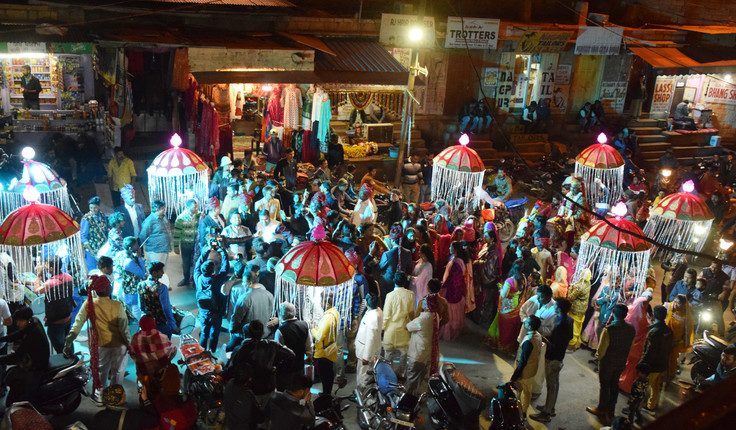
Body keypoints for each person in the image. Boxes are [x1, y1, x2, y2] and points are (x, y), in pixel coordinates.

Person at [64, 274, 130, 399]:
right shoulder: (117, 305)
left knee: (101, 371)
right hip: (119, 345)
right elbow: (124, 329)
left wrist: (68, 343)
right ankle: (115, 398)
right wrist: (129, 344)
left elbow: (76, 327)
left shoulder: (88, 304)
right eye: (109, 285)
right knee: (118, 371)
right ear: (106, 289)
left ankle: (99, 397)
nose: (111, 286)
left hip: (101, 344)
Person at [587, 304, 636, 426]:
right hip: (620, 362)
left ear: (614, 313)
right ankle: (611, 409)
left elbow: (602, 349)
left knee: (605, 386)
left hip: (607, 362)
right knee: (614, 385)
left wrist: (598, 359)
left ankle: (601, 408)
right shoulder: (631, 328)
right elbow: (631, 345)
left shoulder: (609, 329)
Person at [226, 320, 295, 407]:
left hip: (250, 390)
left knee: (250, 415)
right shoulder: (272, 345)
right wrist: (277, 368)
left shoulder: (240, 349)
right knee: (267, 414)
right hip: (268, 387)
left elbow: (231, 369)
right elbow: (291, 355)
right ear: (262, 332)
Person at [530, 298, 573, 423]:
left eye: (556, 306)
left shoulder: (561, 323)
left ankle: (546, 413)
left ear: (559, 308)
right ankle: (550, 407)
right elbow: (568, 337)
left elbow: (556, 343)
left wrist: (543, 339)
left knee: (551, 385)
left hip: (554, 357)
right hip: (559, 356)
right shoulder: (569, 320)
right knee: (554, 384)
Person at [0, 306, 49, 406]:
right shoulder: (33, 322)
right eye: (17, 320)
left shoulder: (33, 334)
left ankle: (32, 409)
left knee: (29, 392)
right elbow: (17, 334)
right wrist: (2, 339)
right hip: (33, 357)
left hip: (38, 364)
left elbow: (16, 357)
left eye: (20, 321)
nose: (17, 323)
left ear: (28, 320)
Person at [34, 255, 74, 353]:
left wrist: (39, 275)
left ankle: (66, 363)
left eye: (46, 265)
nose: (45, 267)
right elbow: (69, 293)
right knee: (68, 340)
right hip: (68, 315)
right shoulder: (68, 277)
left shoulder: (49, 284)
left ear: (51, 268)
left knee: (59, 345)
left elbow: (37, 291)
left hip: (56, 321)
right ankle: (74, 361)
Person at [194, 242, 229, 352]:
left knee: (204, 332)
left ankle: (202, 351)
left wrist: (206, 250)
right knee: (214, 332)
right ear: (213, 270)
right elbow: (225, 267)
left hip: (203, 312)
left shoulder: (198, 278)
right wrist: (222, 251)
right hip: (216, 312)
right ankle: (212, 351)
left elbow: (197, 265)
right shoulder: (217, 281)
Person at [230, 266, 275, 350]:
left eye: (243, 282)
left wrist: (232, 329)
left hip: (249, 336)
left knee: (229, 350)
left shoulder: (245, 298)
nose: (243, 284)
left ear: (249, 283)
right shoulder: (269, 294)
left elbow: (236, 318)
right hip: (266, 335)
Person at [128, 315, 177, 393]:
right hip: (161, 373)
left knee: (144, 390)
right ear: (153, 324)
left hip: (144, 372)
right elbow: (173, 351)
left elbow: (132, 354)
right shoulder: (162, 337)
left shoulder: (135, 338)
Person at [639, 305, 673, 412]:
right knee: (655, 387)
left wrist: (641, 364)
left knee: (642, 388)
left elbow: (649, 351)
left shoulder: (654, 332)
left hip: (652, 366)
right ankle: (651, 406)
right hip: (662, 365)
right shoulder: (668, 330)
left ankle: (636, 408)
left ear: (654, 315)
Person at [405, 293, 440, 396]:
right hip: (428, 353)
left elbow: (407, 327)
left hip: (418, 354)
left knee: (412, 378)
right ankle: (420, 397)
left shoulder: (422, 319)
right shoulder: (435, 316)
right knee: (423, 378)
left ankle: (407, 399)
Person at [382, 271, 415, 378]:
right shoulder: (410, 295)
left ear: (393, 281)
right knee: (403, 355)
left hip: (390, 330)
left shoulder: (390, 296)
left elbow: (386, 316)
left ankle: (390, 376)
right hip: (403, 330)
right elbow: (411, 314)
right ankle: (401, 374)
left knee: (388, 356)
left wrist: (382, 329)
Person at [488, 260, 525, 353]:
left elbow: (504, 295)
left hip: (507, 307)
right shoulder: (524, 278)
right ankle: (509, 345)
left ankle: (501, 344)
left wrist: (501, 288)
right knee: (511, 328)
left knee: (503, 326)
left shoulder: (510, 281)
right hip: (516, 306)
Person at [274, 302, 312, 391]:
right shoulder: (305, 325)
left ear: (282, 314)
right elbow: (309, 345)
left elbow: (278, 351)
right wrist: (309, 356)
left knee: (285, 391)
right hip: (299, 364)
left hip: (285, 368)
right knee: (297, 389)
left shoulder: (280, 330)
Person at [510, 315, 542, 420]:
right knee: (528, 393)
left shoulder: (528, 341)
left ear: (531, 326)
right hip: (532, 369)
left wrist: (515, 376)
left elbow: (523, 360)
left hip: (525, 371)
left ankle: (518, 412)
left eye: (527, 322)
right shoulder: (537, 335)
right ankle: (523, 412)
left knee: (519, 391)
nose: (525, 322)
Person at [138, 261, 177, 338]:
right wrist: (173, 325)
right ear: (154, 273)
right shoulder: (162, 288)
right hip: (161, 322)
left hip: (148, 322)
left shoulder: (140, 285)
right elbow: (166, 309)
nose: (163, 272)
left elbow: (141, 306)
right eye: (161, 271)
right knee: (164, 346)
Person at [93, 384, 159, 429]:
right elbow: (154, 421)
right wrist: (145, 399)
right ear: (122, 398)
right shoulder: (133, 416)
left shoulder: (99, 416)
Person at [440, 241, 469, 340]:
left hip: (452, 290)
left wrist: (442, 285)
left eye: (450, 247)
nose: (449, 248)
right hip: (457, 289)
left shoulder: (456, 263)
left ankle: (450, 330)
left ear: (455, 249)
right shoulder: (459, 260)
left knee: (450, 311)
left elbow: (451, 278)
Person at [313, 291, 340, 395]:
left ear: (327, 303)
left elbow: (319, 335)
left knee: (325, 374)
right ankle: (326, 393)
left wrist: (312, 329)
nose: (320, 304)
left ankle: (326, 395)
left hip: (324, 352)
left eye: (322, 301)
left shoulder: (328, 317)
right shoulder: (335, 312)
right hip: (330, 349)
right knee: (328, 373)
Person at [224, 362, 264, 430]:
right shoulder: (246, 396)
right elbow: (259, 418)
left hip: (230, 423)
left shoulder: (230, 383)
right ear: (249, 378)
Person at [354, 293, 383, 389]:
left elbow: (370, 338)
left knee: (364, 376)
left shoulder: (373, 317)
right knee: (364, 373)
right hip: (366, 350)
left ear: (366, 303)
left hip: (366, 353)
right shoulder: (377, 311)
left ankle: (364, 396)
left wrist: (366, 357)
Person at [116, 237, 147, 319]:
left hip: (127, 287)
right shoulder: (129, 262)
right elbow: (142, 273)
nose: (138, 246)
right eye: (136, 244)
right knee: (136, 310)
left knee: (130, 310)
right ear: (130, 248)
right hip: (133, 289)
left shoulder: (121, 254)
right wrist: (139, 257)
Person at [665, 294, 694, 377]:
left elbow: (687, 332)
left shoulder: (686, 317)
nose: (674, 305)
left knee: (672, 360)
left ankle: (669, 376)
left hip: (676, 342)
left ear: (683, 305)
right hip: (665, 340)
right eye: (674, 302)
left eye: (678, 303)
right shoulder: (668, 308)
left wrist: (679, 341)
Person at [173, 199, 199, 287]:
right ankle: (186, 279)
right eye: (194, 208)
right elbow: (177, 234)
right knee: (186, 263)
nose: (196, 209)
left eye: (196, 207)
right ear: (187, 207)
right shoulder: (180, 218)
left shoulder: (198, 215)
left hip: (196, 245)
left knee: (196, 262)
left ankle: (194, 279)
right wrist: (176, 247)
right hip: (185, 245)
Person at [139, 200, 173, 265]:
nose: (164, 209)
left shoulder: (164, 217)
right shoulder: (149, 221)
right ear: (157, 210)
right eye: (162, 208)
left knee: (162, 270)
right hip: (155, 251)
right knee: (155, 271)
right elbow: (143, 235)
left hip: (165, 249)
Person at [80, 196, 108, 272]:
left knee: (104, 269)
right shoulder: (86, 219)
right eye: (91, 207)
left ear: (99, 207)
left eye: (95, 208)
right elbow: (83, 236)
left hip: (102, 248)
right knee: (93, 271)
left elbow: (105, 230)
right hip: (91, 250)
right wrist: (90, 249)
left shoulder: (102, 215)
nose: (92, 210)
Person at [567, 268, 591, 350]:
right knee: (579, 326)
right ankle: (577, 342)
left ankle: (572, 344)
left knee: (574, 327)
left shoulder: (579, 286)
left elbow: (570, 297)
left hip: (575, 309)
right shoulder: (588, 283)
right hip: (583, 309)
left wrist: (570, 290)